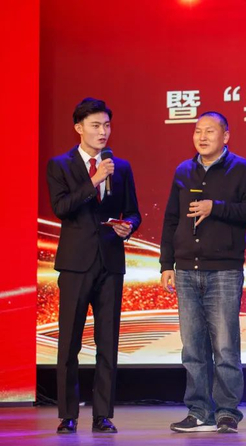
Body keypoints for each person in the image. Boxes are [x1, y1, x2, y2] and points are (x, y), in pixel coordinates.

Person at [159, 111, 246, 434]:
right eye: (197, 131)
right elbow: (171, 219)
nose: (202, 137)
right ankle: (198, 410)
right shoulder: (183, 171)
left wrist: (214, 207)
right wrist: (166, 264)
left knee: (225, 346)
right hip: (186, 270)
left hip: (223, 271)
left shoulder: (242, 169)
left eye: (210, 131)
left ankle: (227, 411)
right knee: (192, 348)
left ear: (226, 136)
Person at [47, 97, 141, 434]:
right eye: (96, 125)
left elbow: (134, 211)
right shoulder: (60, 165)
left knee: (108, 341)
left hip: (110, 262)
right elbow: (62, 208)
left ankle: (102, 414)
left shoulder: (121, 167)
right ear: (79, 128)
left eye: (107, 125)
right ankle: (68, 414)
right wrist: (95, 180)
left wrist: (128, 226)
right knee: (69, 342)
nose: (103, 132)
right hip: (75, 264)